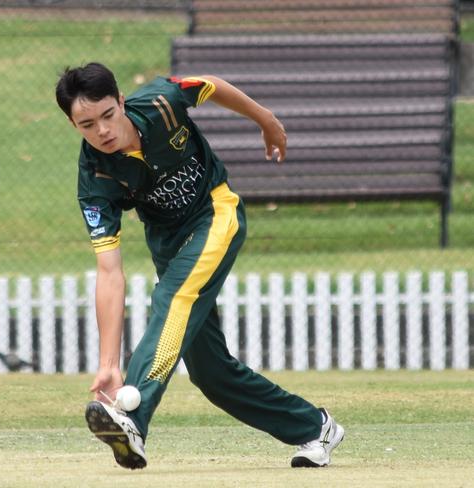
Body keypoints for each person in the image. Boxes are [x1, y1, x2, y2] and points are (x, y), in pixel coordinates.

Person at [55, 62, 344, 470]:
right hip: (169, 245)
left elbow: (212, 85)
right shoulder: (95, 177)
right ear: (73, 125)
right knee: (212, 374)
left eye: (108, 115)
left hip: (215, 213)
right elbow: (109, 271)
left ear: (121, 102)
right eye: (87, 124)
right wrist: (107, 364)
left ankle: (131, 420)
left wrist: (265, 119)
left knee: (173, 299)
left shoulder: (161, 101)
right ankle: (315, 427)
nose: (102, 131)